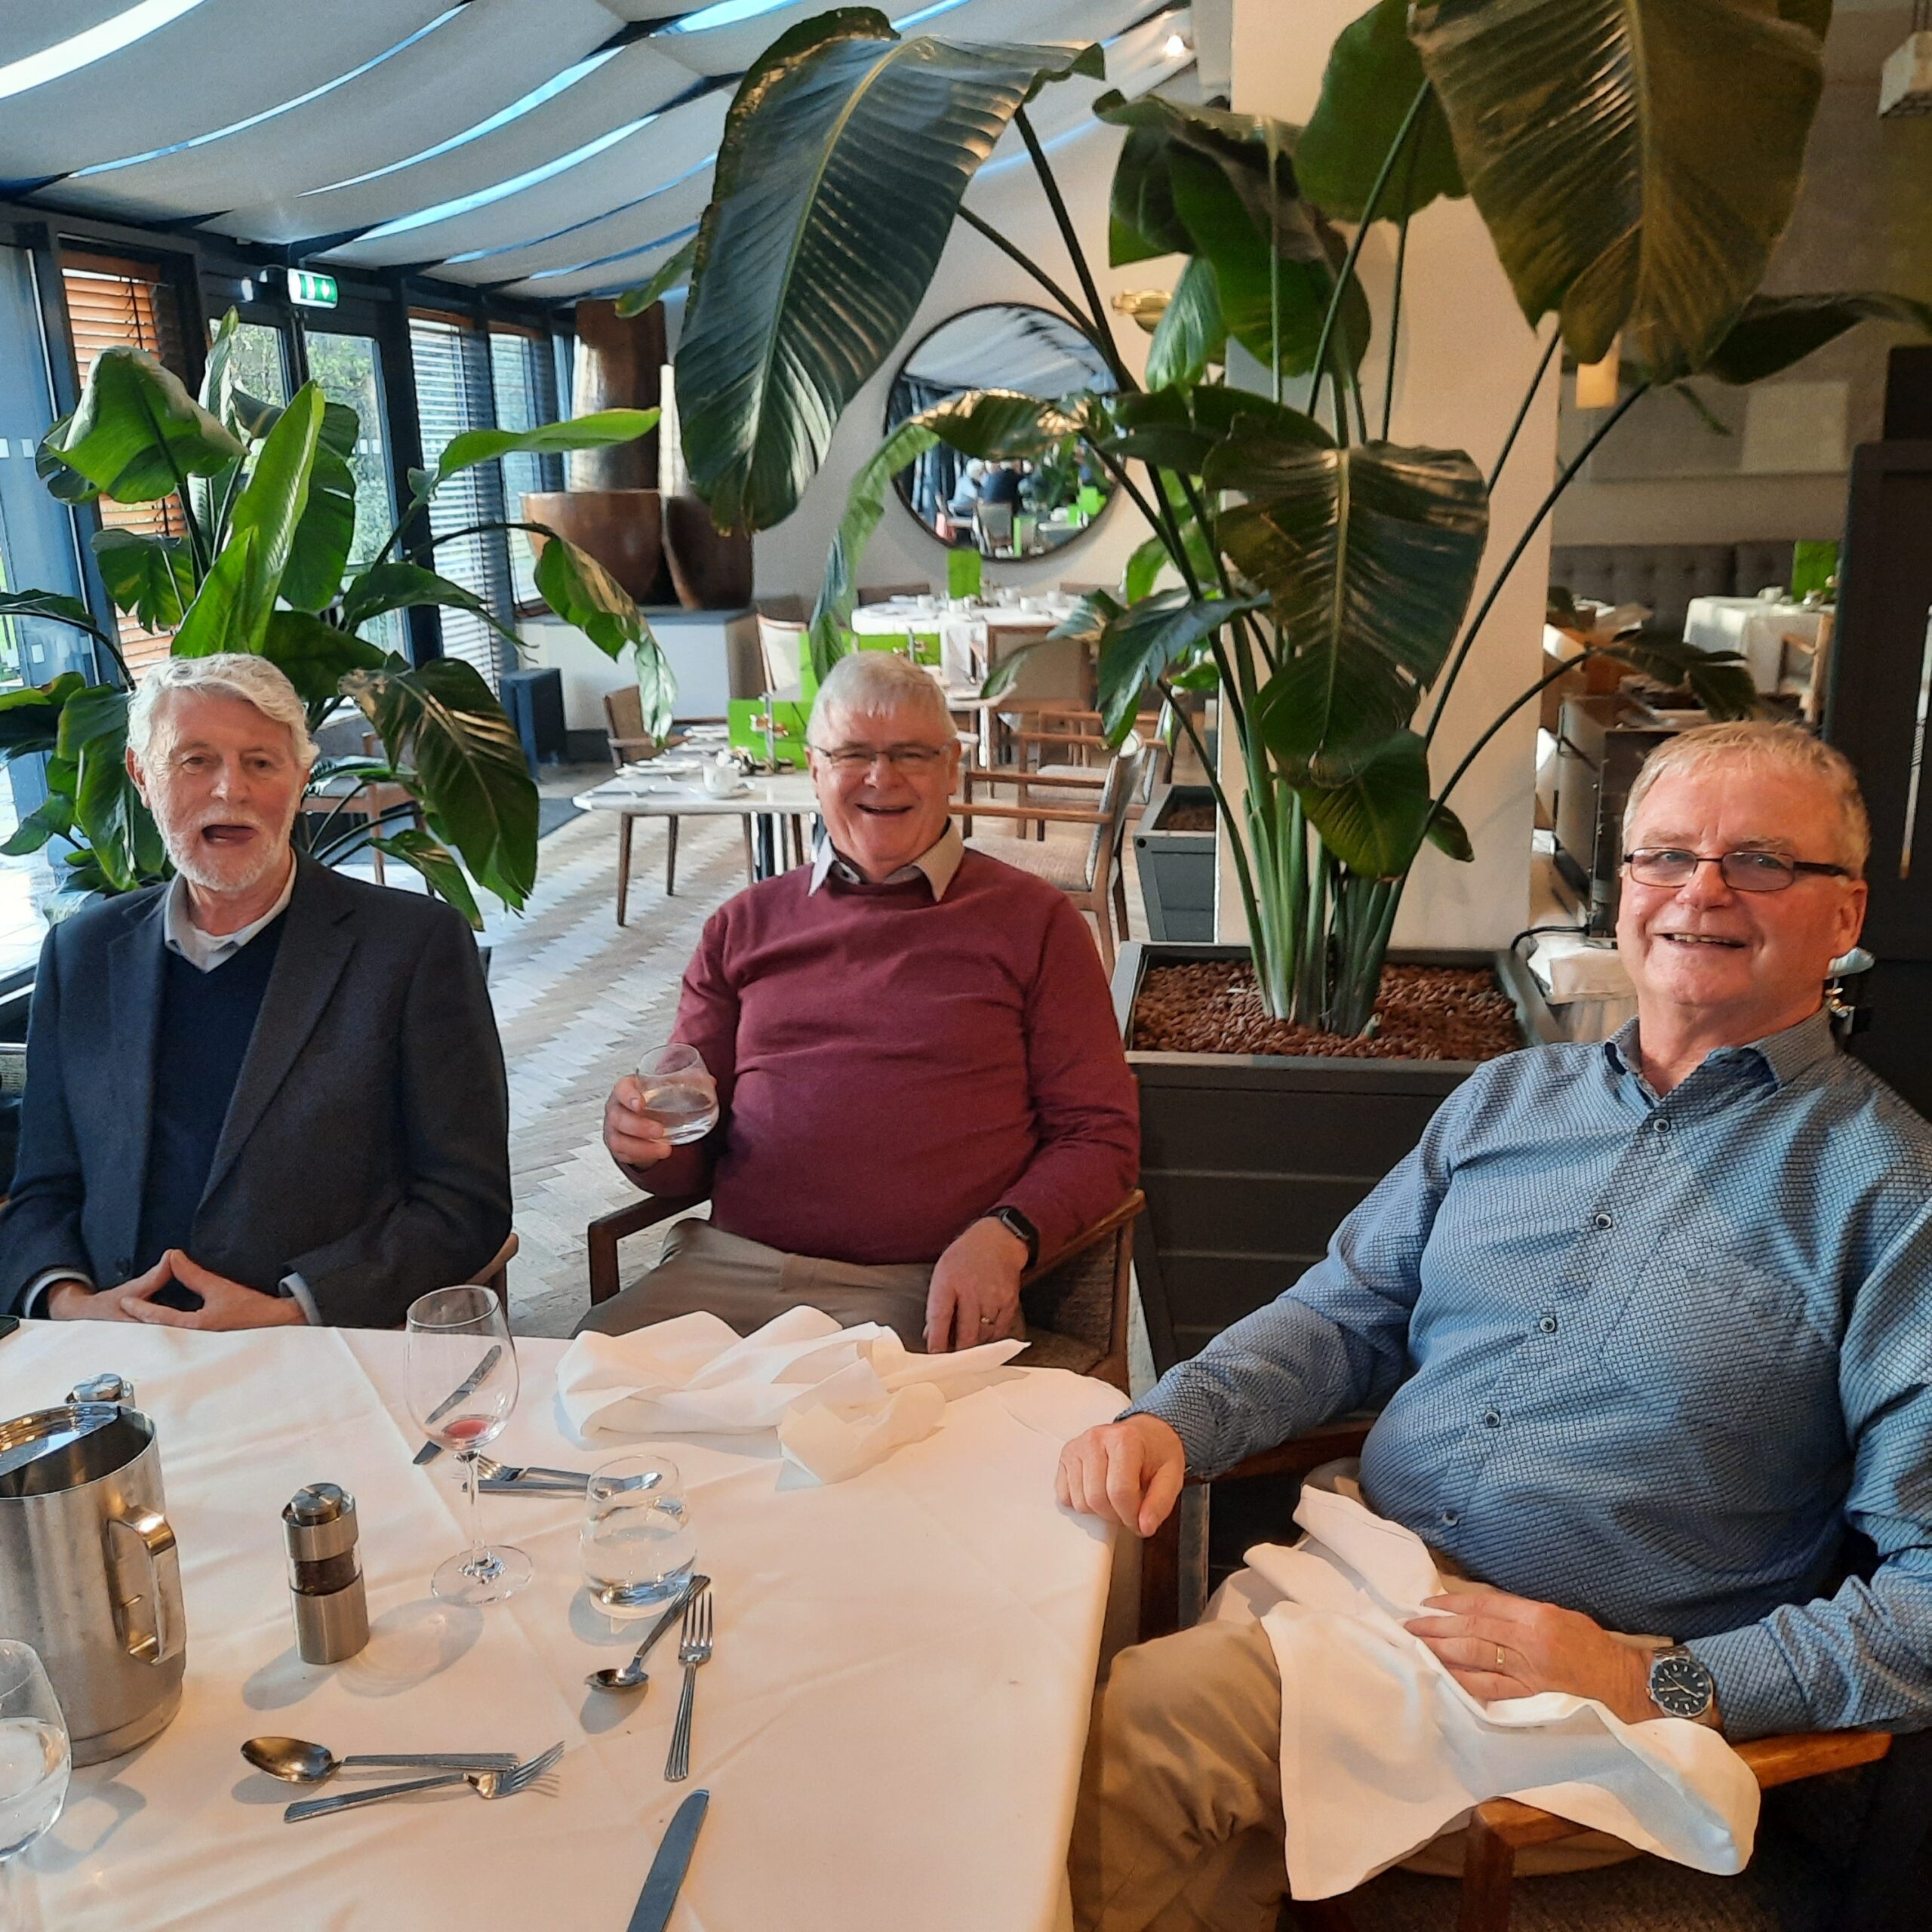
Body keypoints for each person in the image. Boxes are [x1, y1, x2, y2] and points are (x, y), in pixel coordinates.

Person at [1057, 721, 1932, 1930]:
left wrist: (1658, 1682)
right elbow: (1345, 1312)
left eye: (1763, 861)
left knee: (1142, 1732)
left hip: (1583, 1704)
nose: (1703, 891)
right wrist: (1177, 1415)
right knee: (1089, 1732)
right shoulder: (1510, 1097)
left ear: (1845, 915)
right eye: (1667, 855)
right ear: (1624, 889)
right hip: (1363, 1588)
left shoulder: (1891, 1197)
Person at [584, 650, 1138, 1352]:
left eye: (911, 753)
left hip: (921, 1288)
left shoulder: (1034, 923)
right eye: (853, 754)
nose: (882, 777)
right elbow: (687, 1146)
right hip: (728, 1270)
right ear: (815, 769)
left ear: (951, 768)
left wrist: (1006, 1233)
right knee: (586, 1381)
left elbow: (1101, 1135)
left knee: (847, 1421)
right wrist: (641, 1142)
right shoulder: (742, 926)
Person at [0, 654, 512, 1330]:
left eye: (261, 763)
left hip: (316, 1349)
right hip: (110, 1354)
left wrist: (292, 1311)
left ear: (300, 780)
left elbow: (465, 1201)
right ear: (142, 776)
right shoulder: (83, 953)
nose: (229, 790)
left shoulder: (411, 948)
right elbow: (44, 1186)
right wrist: (72, 1307)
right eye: (195, 761)